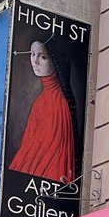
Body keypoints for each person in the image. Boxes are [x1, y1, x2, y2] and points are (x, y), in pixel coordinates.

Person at [8, 37, 79, 184]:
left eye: (43, 57)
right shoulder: (43, 100)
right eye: (32, 54)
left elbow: (49, 156)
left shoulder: (56, 105)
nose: (35, 62)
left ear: (55, 61)